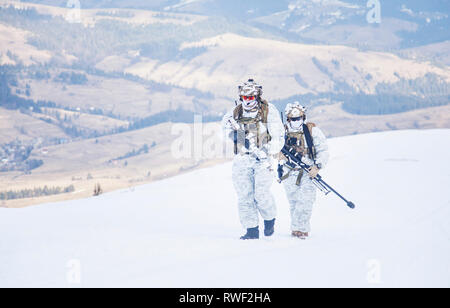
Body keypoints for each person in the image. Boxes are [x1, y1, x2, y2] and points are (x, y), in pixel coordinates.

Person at [222, 79, 285, 240]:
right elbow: (224, 128)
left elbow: (278, 137)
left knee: (261, 194)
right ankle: (251, 230)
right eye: (244, 97)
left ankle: (269, 219)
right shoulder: (235, 112)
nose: (247, 101)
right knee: (244, 196)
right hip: (242, 159)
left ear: (257, 96)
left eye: (250, 98)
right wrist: (235, 135)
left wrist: (267, 151)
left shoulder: (269, 111)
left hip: (263, 160)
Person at [278, 102, 329, 239]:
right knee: (294, 203)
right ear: (287, 119)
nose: (296, 121)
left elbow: (323, 150)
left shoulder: (312, 131)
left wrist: (317, 166)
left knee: (306, 201)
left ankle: (302, 229)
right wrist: (278, 154)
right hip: (289, 172)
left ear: (303, 117)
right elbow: (270, 146)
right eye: (293, 119)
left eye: (299, 118)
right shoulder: (281, 132)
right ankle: (296, 230)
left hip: (308, 172)